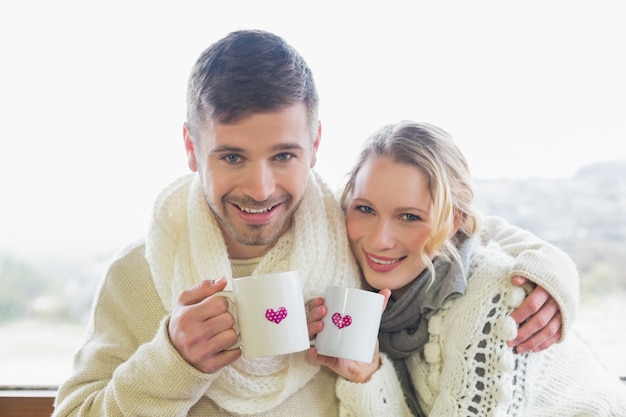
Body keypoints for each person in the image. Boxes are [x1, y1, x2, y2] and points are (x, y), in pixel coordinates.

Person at [53, 30, 577, 416]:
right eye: (232, 157)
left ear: (317, 145)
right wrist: (170, 361)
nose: (261, 189)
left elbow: (460, 228)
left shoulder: (361, 239)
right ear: (192, 149)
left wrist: (553, 275)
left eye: (284, 155)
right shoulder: (138, 275)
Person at [308, 120, 626, 416]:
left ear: (453, 222)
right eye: (365, 209)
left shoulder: (492, 298)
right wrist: (366, 375)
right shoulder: (365, 291)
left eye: (410, 217)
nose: (380, 240)